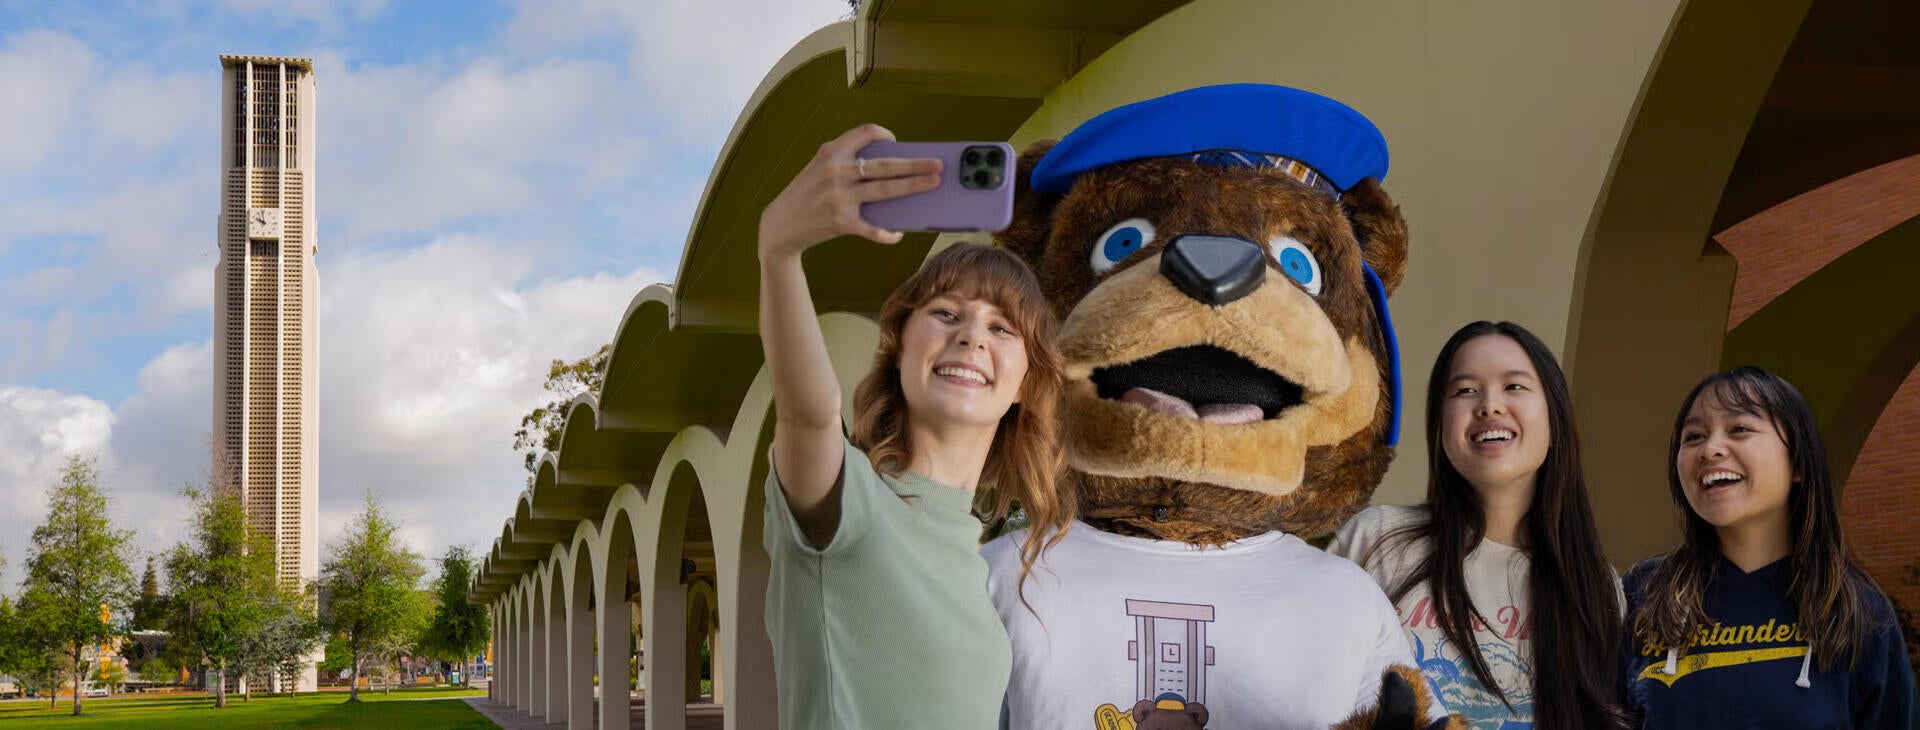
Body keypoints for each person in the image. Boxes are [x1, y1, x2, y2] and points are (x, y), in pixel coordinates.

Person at [757, 123, 1074, 729]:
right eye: (947, 313)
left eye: (1002, 328)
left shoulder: (978, 558)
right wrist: (778, 252)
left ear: (1026, 385)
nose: (971, 335)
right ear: (900, 349)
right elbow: (807, 414)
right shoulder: (844, 502)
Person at [1329, 321, 1625, 729]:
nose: (1489, 406)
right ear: (1440, 426)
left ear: (1555, 420)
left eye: (1515, 387)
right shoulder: (1376, 539)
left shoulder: (1596, 587)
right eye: (1465, 390)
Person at [1620, 366, 1917, 728]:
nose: (1710, 449)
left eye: (1739, 429)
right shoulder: (1643, 594)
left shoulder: (1859, 612)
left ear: (1798, 463)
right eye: (1694, 436)